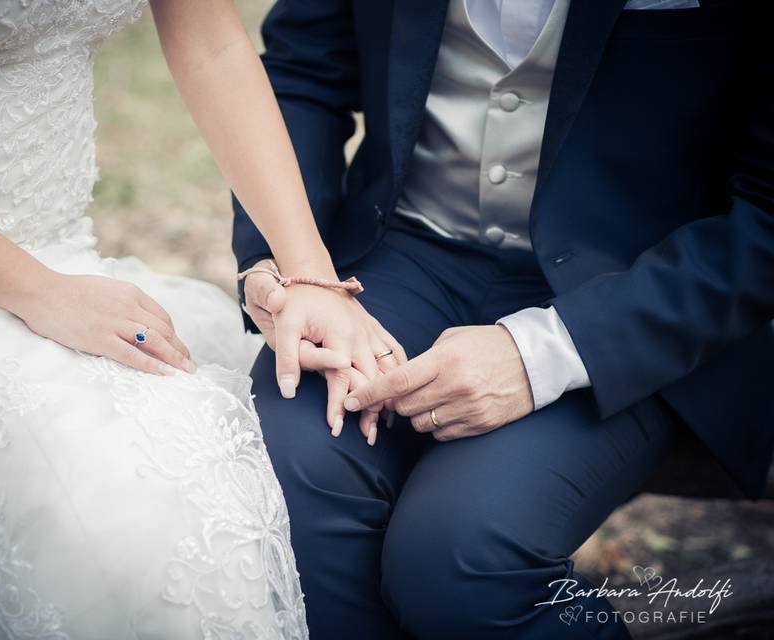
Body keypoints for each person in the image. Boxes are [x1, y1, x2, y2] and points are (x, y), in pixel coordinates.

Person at [0, 0, 400, 637]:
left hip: (70, 260)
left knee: (220, 450)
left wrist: (309, 276)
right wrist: (42, 295)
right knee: (119, 491)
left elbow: (212, 45)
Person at [235, 0, 774, 638]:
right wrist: (282, 265)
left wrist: (540, 354)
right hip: (401, 253)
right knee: (291, 478)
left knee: (461, 556)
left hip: (630, 292)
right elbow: (304, 72)